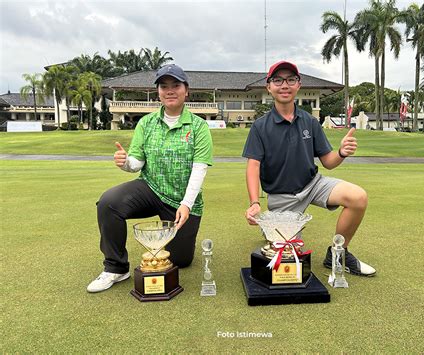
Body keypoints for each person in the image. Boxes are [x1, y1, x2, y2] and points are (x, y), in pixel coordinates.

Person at [87, 64, 213, 293]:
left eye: (176, 85)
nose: (170, 90)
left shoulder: (198, 126)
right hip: (150, 188)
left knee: (181, 260)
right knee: (109, 202)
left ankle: (176, 232)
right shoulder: (146, 123)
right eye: (164, 86)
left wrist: (186, 204)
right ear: (158, 92)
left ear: (187, 90)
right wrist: (125, 162)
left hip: (181, 200)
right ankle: (116, 267)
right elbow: (137, 163)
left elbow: (199, 168)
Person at [243, 61, 375, 277]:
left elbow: (328, 162)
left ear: (298, 85)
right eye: (278, 80)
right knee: (286, 254)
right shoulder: (260, 126)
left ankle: (337, 253)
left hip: (313, 185)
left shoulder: (309, 121)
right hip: (281, 196)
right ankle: (271, 227)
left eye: (290, 80)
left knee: (358, 197)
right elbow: (253, 166)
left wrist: (341, 152)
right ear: (269, 87)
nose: (284, 85)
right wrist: (255, 203)